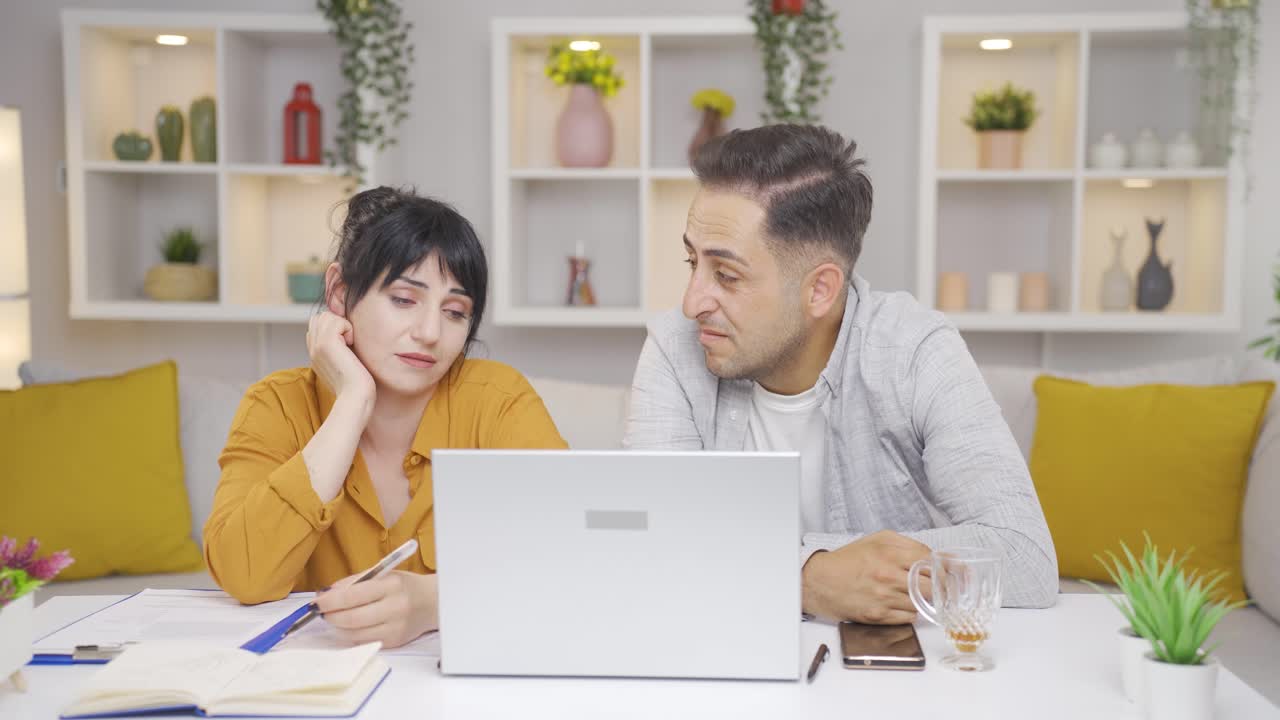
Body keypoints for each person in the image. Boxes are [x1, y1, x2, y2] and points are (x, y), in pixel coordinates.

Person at [624, 125, 1058, 624]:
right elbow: (649, 548)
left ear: (820, 290)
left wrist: (764, 565)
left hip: (893, 669)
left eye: (726, 275)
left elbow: (1025, 557)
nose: (691, 302)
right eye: (691, 262)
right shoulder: (675, 347)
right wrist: (807, 577)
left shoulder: (914, 350)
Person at [205, 187, 567, 648]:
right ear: (339, 293)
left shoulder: (498, 401)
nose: (430, 332)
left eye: (455, 312)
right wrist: (352, 402)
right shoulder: (277, 405)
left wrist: (435, 602)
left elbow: (572, 553)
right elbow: (243, 574)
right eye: (403, 299)